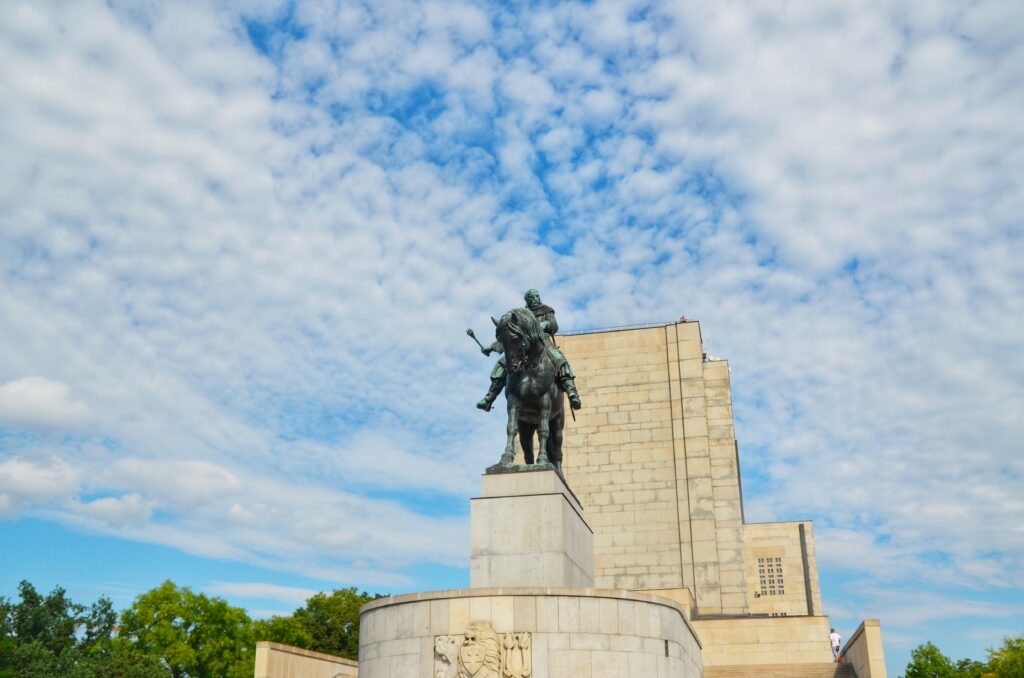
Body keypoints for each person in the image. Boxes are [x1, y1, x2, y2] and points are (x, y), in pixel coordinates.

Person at [477, 289, 583, 411]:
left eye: (536, 296)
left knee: (559, 358)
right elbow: (511, 335)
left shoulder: (547, 310)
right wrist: (490, 347)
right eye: (532, 297)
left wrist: (546, 325)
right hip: (524, 345)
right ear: (527, 300)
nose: (535, 299)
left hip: (543, 341)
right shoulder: (522, 314)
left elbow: (554, 325)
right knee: (503, 362)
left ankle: (571, 391)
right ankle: (490, 396)